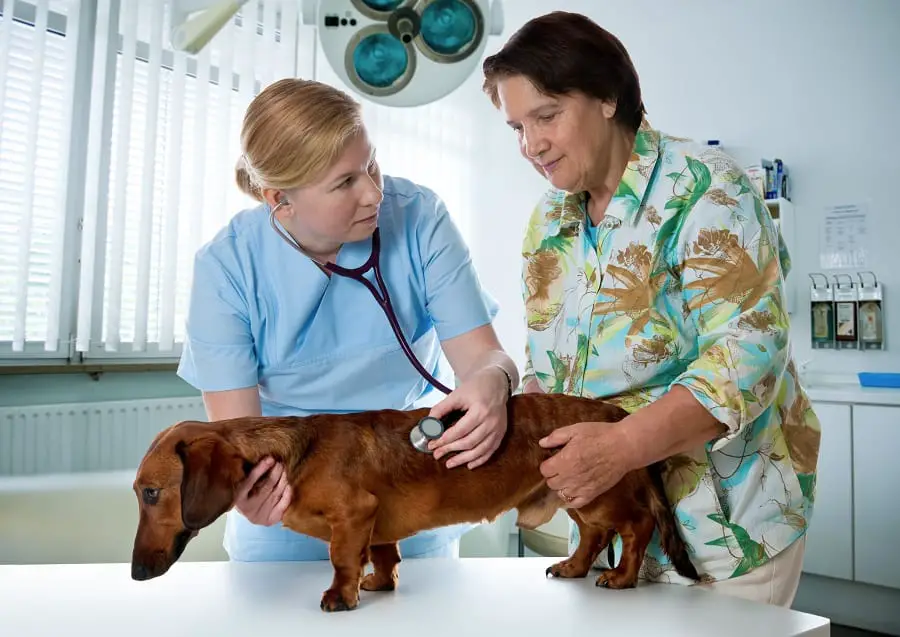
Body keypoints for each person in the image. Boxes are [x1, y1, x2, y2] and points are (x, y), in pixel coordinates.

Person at [480, 11, 821, 607]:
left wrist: (620, 448)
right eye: (515, 128)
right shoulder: (551, 221)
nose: (531, 145)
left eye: (547, 116)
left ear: (608, 98)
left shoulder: (707, 191)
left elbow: (748, 356)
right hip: (614, 526)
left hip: (723, 530)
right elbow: (551, 365)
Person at [176, 78, 520, 562]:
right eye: (345, 182)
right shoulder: (227, 268)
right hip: (290, 511)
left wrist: (496, 382)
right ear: (280, 201)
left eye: (372, 164)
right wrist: (246, 490)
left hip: (412, 488)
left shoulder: (419, 217)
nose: (374, 193)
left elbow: (486, 358)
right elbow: (241, 438)